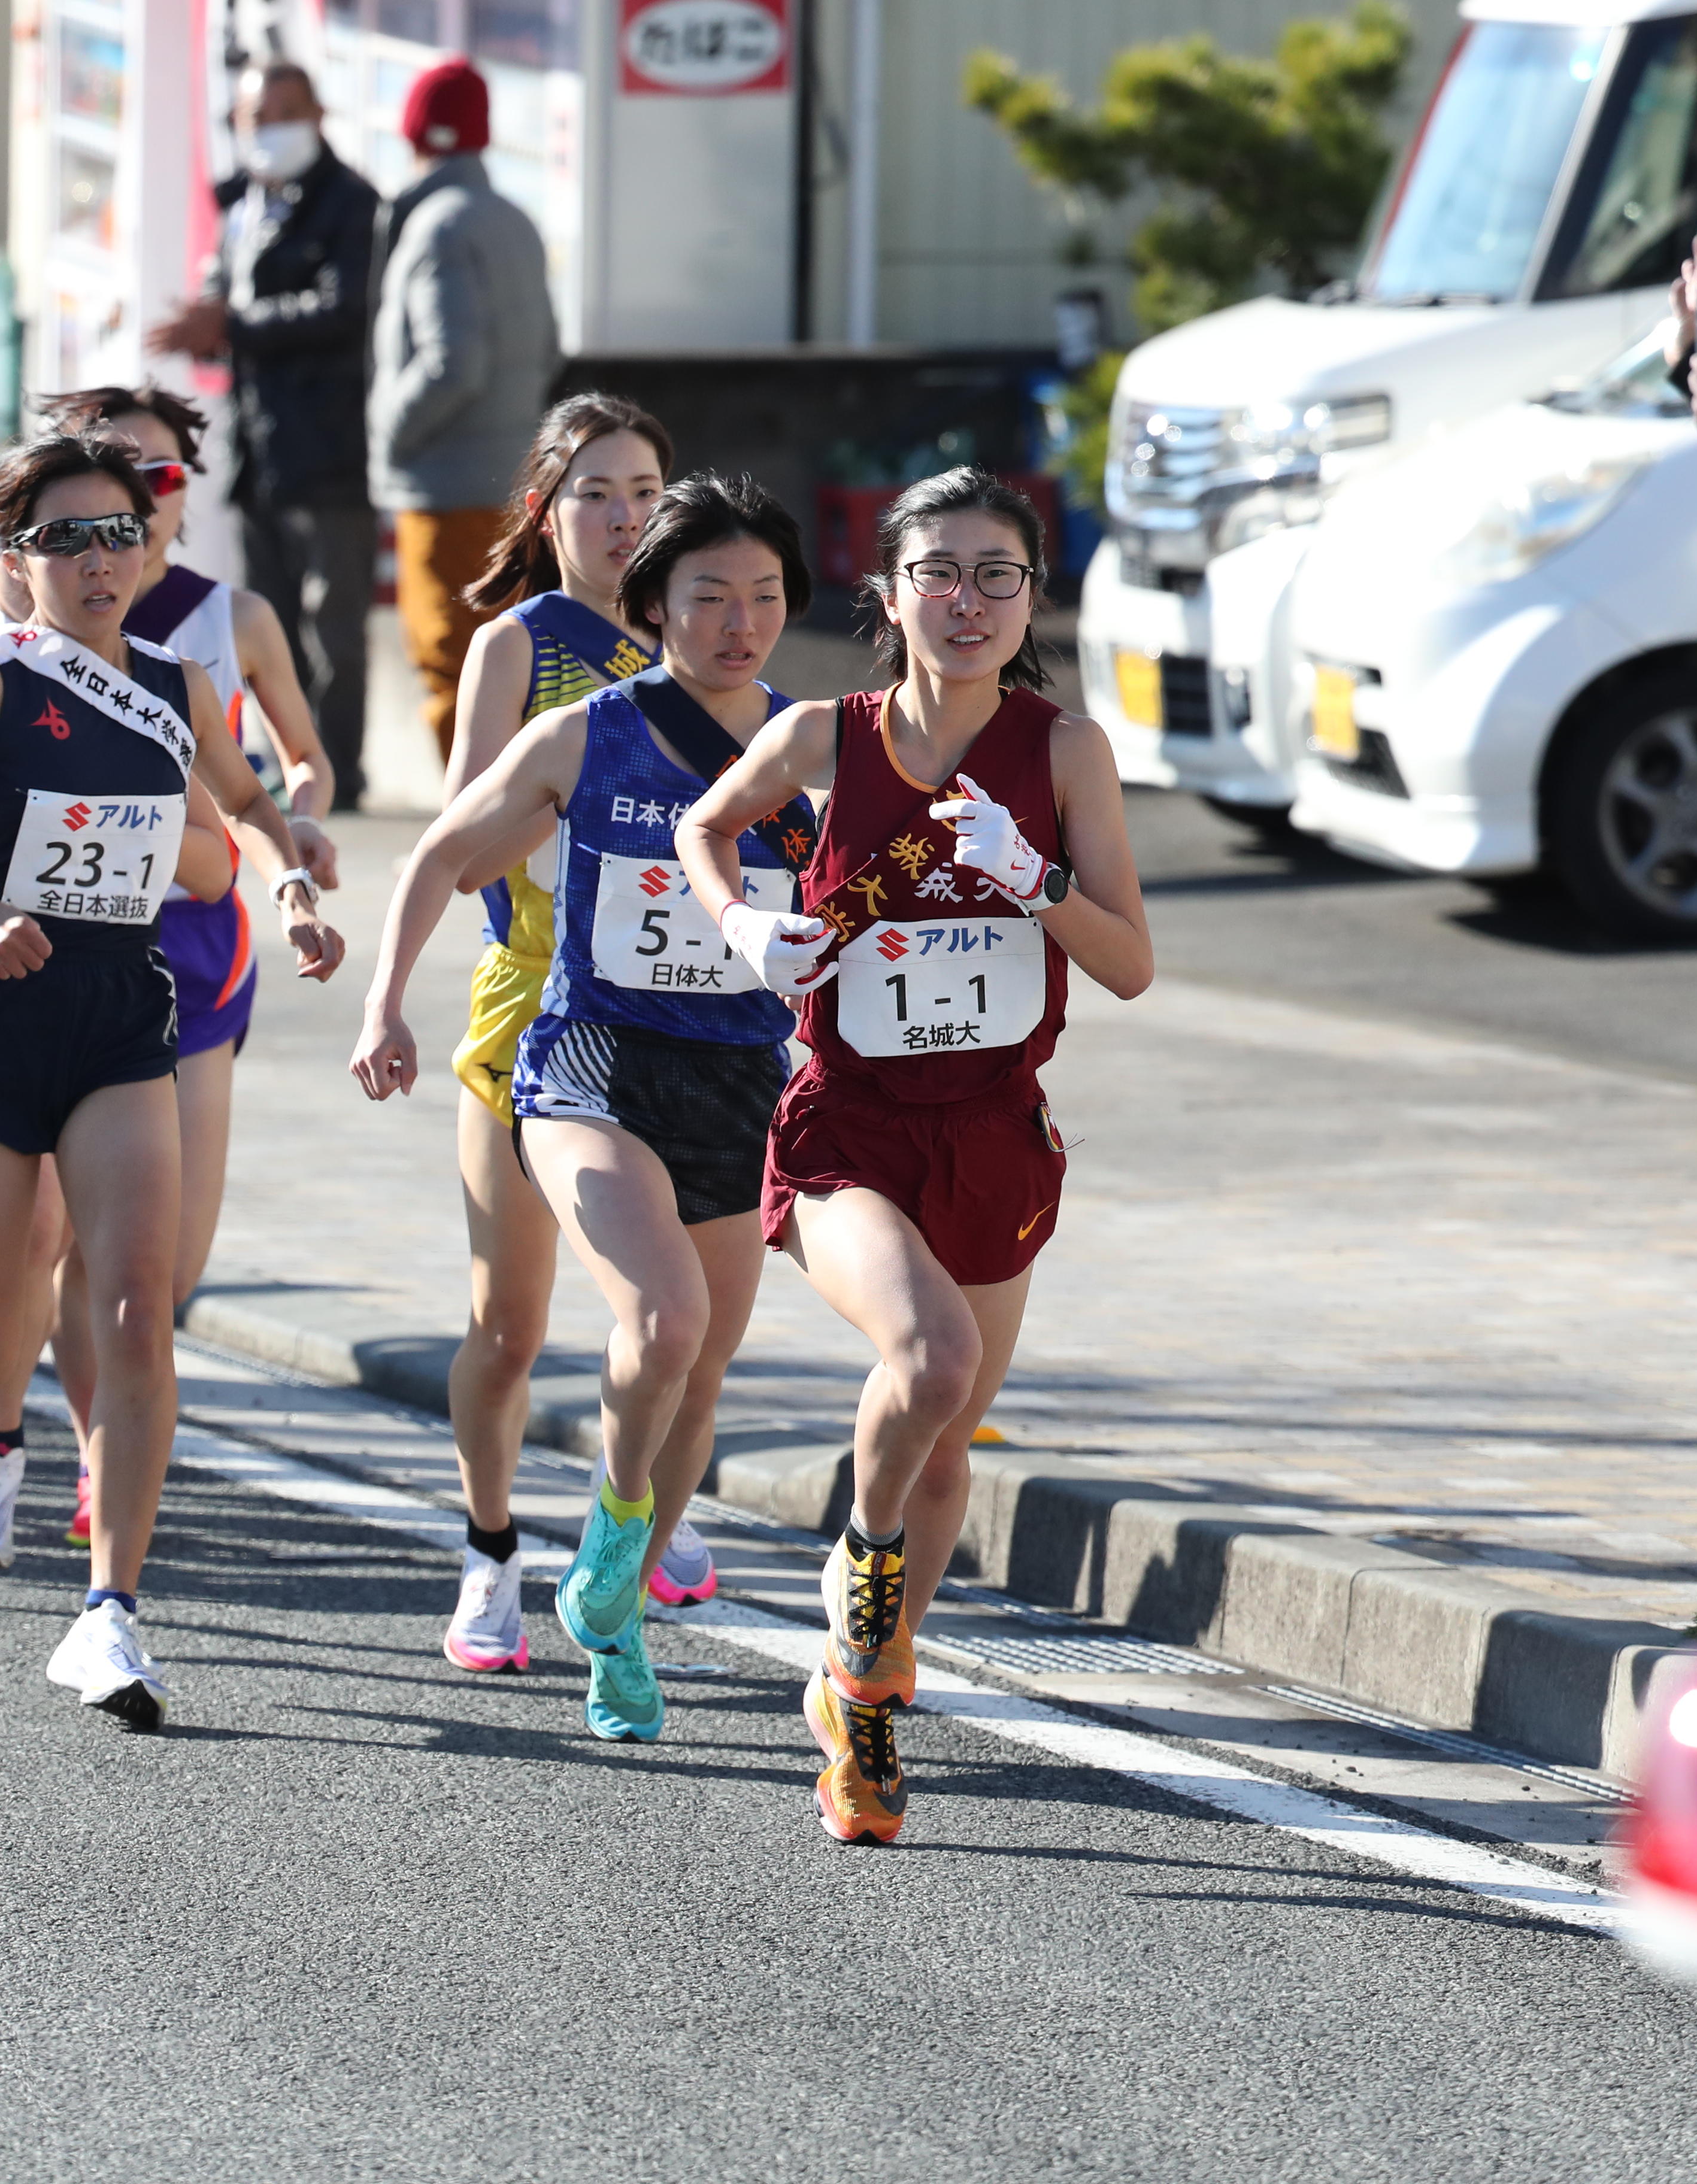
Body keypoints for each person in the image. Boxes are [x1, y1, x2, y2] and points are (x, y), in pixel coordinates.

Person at [677, 468, 1153, 1844]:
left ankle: (859, 1696)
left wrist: (1037, 881)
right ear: (886, 597)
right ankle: (868, 1623)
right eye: (934, 572)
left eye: (993, 574)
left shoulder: (1063, 755)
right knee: (929, 1361)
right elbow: (699, 827)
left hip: (995, 1132)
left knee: (941, 1445)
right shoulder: (827, 735)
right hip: (851, 1130)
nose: (964, 600)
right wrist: (743, 929)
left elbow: (1125, 965)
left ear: (1029, 597)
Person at [0, 433, 336, 1727]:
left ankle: (109, 1613)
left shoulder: (175, 684)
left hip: (120, 1017)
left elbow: (250, 804)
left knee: (132, 1305)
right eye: (65, 539)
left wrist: (292, 884)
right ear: (12, 559)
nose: (99, 560)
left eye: (119, 533)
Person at [356, 472, 813, 1742]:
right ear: (653, 601)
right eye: (710, 595)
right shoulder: (586, 733)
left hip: (737, 1075)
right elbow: (443, 855)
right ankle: (609, 1552)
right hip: (589, 1063)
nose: (740, 622)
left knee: (703, 1357)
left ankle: (616, 1613)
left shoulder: (810, 748)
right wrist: (384, 1004)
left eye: (766, 597)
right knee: (661, 1317)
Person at [406, 395, 738, 1666]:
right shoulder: (521, 646)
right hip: (536, 1006)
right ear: (546, 511)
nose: (622, 516)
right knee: (510, 1326)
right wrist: (574, 812)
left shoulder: (711, 642)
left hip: (689, 1026)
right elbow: (462, 836)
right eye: (595, 491)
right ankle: (489, 1548)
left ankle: (641, 1505)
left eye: (645, 489)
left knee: (675, 1317)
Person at [32, 382, 346, 1541]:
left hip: (195, 945)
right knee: (64, 1237)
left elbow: (295, 768)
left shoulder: (232, 620)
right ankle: (86, 1448)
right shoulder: (25, 627)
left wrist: (296, 844)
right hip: (54, 951)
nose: (135, 502)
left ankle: (92, 1421)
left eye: (158, 477)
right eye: (111, 476)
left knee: (168, 1260)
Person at [151, 60, 380, 810]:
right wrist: (208, 323)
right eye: (258, 116)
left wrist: (236, 325)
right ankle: (284, 766)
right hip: (258, 450)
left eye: (288, 110)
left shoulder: (351, 203)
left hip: (331, 447)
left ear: (319, 113)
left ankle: (337, 772)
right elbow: (228, 291)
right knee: (269, 619)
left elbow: (345, 310)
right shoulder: (246, 201)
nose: (273, 128)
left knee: (332, 627)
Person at [371, 55, 562, 769]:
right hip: (512, 476)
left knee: (450, 663)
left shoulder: (437, 226)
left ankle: (471, 839)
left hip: (444, 482)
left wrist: (392, 430)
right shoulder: (514, 219)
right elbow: (548, 348)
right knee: (516, 664)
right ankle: (510, 833)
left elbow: (452, 363)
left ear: (417, 132)